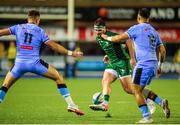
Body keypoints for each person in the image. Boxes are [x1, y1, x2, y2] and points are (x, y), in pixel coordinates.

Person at [0, 10, 84, 116]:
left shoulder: (17, 27)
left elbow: (1, 33)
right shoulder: (40, 31)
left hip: (19, 64)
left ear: (28, 19)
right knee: (58, 77)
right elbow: (54, 46)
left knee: (5, 86)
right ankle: (71, 104)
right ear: (37, 20)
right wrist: (71, 53)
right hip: (35, 64)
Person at [101, 8, 170, 123]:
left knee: (135, 90)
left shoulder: (135, 28)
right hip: (153, 64)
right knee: (138, 88)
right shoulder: (154, 31)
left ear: (138, 17)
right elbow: (162, 51)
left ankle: (147, 117)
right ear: (148, 18)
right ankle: (160, 102)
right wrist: (159, 65)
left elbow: (118, 38)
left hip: (143, 64)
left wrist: (107, 37)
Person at [89, 18, 159, 115]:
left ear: (104, 28)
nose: (97, 32)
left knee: (130, 89)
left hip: (122, 63)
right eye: (96, 30)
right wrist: (107, 56)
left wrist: (132, 58)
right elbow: (112, 48)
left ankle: (149, 100)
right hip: (113, 63)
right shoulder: (98, 37)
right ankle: (105, 104)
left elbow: (128, 41)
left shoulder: (112, 35)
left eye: (99, 30)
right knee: (105, 81)